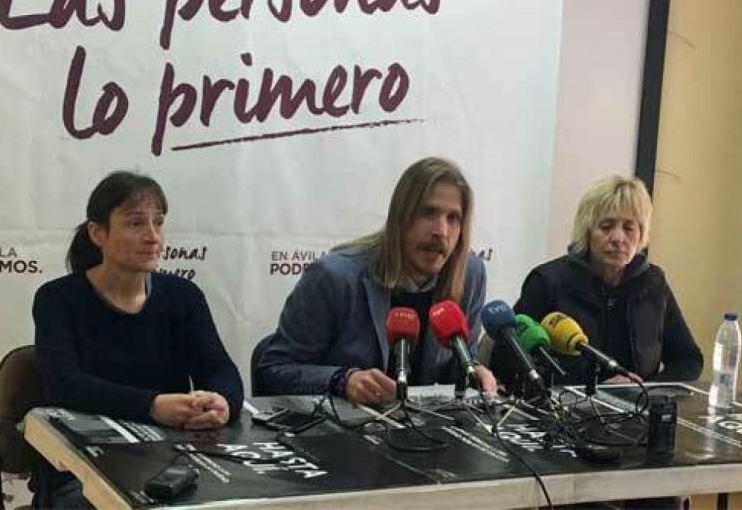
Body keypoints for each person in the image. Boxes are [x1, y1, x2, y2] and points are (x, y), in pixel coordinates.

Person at [32, 171, 243, 508]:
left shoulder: (183, 297)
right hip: (82, 462)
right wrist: (152, 406)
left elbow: (219, 368)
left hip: (171, 457)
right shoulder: (58, 299)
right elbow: (64, 385)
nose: (152, 237)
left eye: (158, 223)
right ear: (97, 233)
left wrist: (222, 403)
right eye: (135, 224)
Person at [253, 157, 497, 404]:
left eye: (453, 218)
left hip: (423, 430)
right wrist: (342, 380)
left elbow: (457, 362)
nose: (441, 231)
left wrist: (473, 370)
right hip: (339, 432)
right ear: (400, 217)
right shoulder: (333, 277)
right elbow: (272, 370)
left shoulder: (469, 275)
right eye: (428, 213)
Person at [497, 175, 702, 389]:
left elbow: (688, 360)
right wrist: (599, 390)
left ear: (641, 235)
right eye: (606, 226)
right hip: (565, 410)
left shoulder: (652, 282)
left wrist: (641, 391)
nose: (618, 238)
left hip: (637, 411)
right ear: (587, 232)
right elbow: (507, 360)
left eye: (629, 228)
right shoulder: (548, 282)